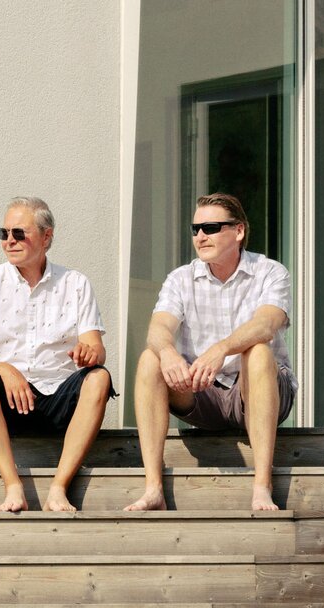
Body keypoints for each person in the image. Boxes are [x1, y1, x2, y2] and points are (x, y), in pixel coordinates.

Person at [126, 192, 296, 515]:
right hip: (204, 392)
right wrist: (168, 353)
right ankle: (153, 489)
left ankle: (262, 486)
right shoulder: (180, 278)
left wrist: (221, 349)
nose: (201, 236)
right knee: (151, 358)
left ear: (239, 231)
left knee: (258, 351)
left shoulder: (271, 272)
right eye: (196, 229)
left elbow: (266, 325)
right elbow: (157, 329)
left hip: (258, 388)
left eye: (212, 227)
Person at [0, 197, 113, 514]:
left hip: (59, 396)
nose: (9, 241)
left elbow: (97, 348)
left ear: (46, 237)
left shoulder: (75, 283)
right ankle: (12, 484)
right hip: (11, 401)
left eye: (19, 233)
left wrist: (88, 353)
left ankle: (59, 488)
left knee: (99, 377)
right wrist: (6, 370)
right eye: (4, 233)